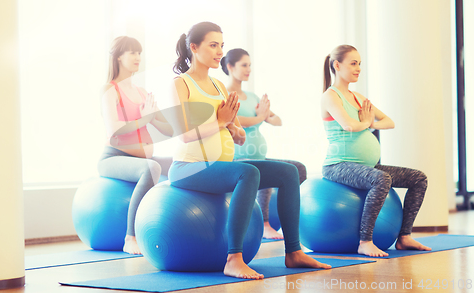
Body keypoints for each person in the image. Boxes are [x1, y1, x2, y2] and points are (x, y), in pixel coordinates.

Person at [168, 22, 331, 280]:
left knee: (288, 172)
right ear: (194, 47)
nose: (220, 51)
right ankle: (234, 259)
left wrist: (235, 128)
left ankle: (293, 252)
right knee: (247, 173)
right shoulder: (181, 84)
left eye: (221, 45)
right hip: (189, 168)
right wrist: (221, 122)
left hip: (220, 165)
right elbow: (185, 133)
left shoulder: (220, 87)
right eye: (213, 45)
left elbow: (239, 136)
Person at [320, 44, 431, 257]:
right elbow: (349, 125)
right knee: (381, 179)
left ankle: (405, 237)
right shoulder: (330, 96)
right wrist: (366, 121)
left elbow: (389, 122)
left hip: (367, 166)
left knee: (418, 178)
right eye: (353, 63)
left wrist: (370, 122)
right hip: (338, 165)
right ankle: (365, 241)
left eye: (359, 63)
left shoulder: (359, 97)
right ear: (337, 65)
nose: (358, 68)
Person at [221, 48, 307, 240]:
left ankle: (288, 225)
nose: (248, 69)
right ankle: (265, 223)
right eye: (244, 65)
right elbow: (236, 120)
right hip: (238, 157)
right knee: (260, 170)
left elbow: (278, 120)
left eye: (250, 65)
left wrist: (265, 114)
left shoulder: (252, 97)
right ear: (230, 66)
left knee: (298, 169)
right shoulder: (225, 94)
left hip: (258, 155)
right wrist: (260, 116)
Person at [98, 36, 173, 254]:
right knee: (152, 168)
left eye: (139, 52)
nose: (138, 57)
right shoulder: (109, 90)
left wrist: (152, 116)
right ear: (119, 57)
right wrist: (145, 119)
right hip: (112, 158)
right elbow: (114, 130)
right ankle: (130, 237)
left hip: (141, 157)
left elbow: (166, 129)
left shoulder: (142, 93)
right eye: (132, 52)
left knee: (180, 163)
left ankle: (168, 227)